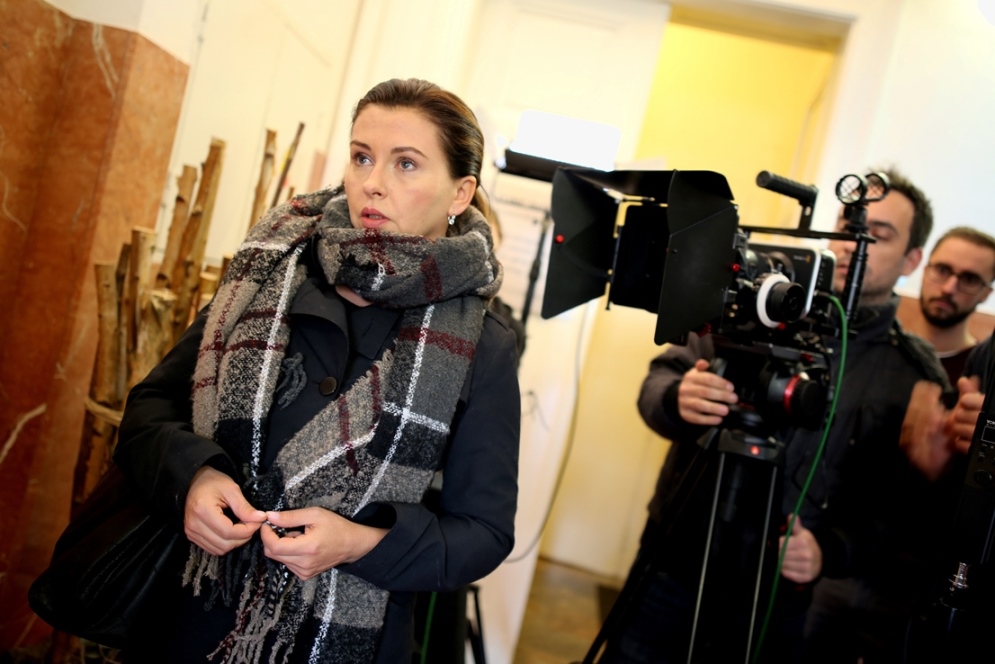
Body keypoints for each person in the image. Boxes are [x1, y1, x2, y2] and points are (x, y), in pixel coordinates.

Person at [112, 78, 521, 664]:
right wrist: (193, 477)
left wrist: (358, 544)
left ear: (460, 193)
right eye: (362, 157)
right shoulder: (268, 275)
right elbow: (150, 407)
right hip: (187, 615)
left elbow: (483, 533)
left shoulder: (483, 344)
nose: (373, 182)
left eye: (406, 163)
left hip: (338, 641)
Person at [601, 168, 948, 663]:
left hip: (774, 595)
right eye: (847, 227)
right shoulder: (754, 303)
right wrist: (678, 398)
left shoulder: (912, 374)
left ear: (912, 259)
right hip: (675, 557)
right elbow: (656, 383)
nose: (852, 243)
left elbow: (898, 513)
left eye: (878, 234)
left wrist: (829, 551)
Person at [902, 226, 995, 384]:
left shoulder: (984, 375)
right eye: (942, 270)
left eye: (969, 279)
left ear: (985, 293)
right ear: (924, 272)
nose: (948, 289)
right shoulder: (878, 349)